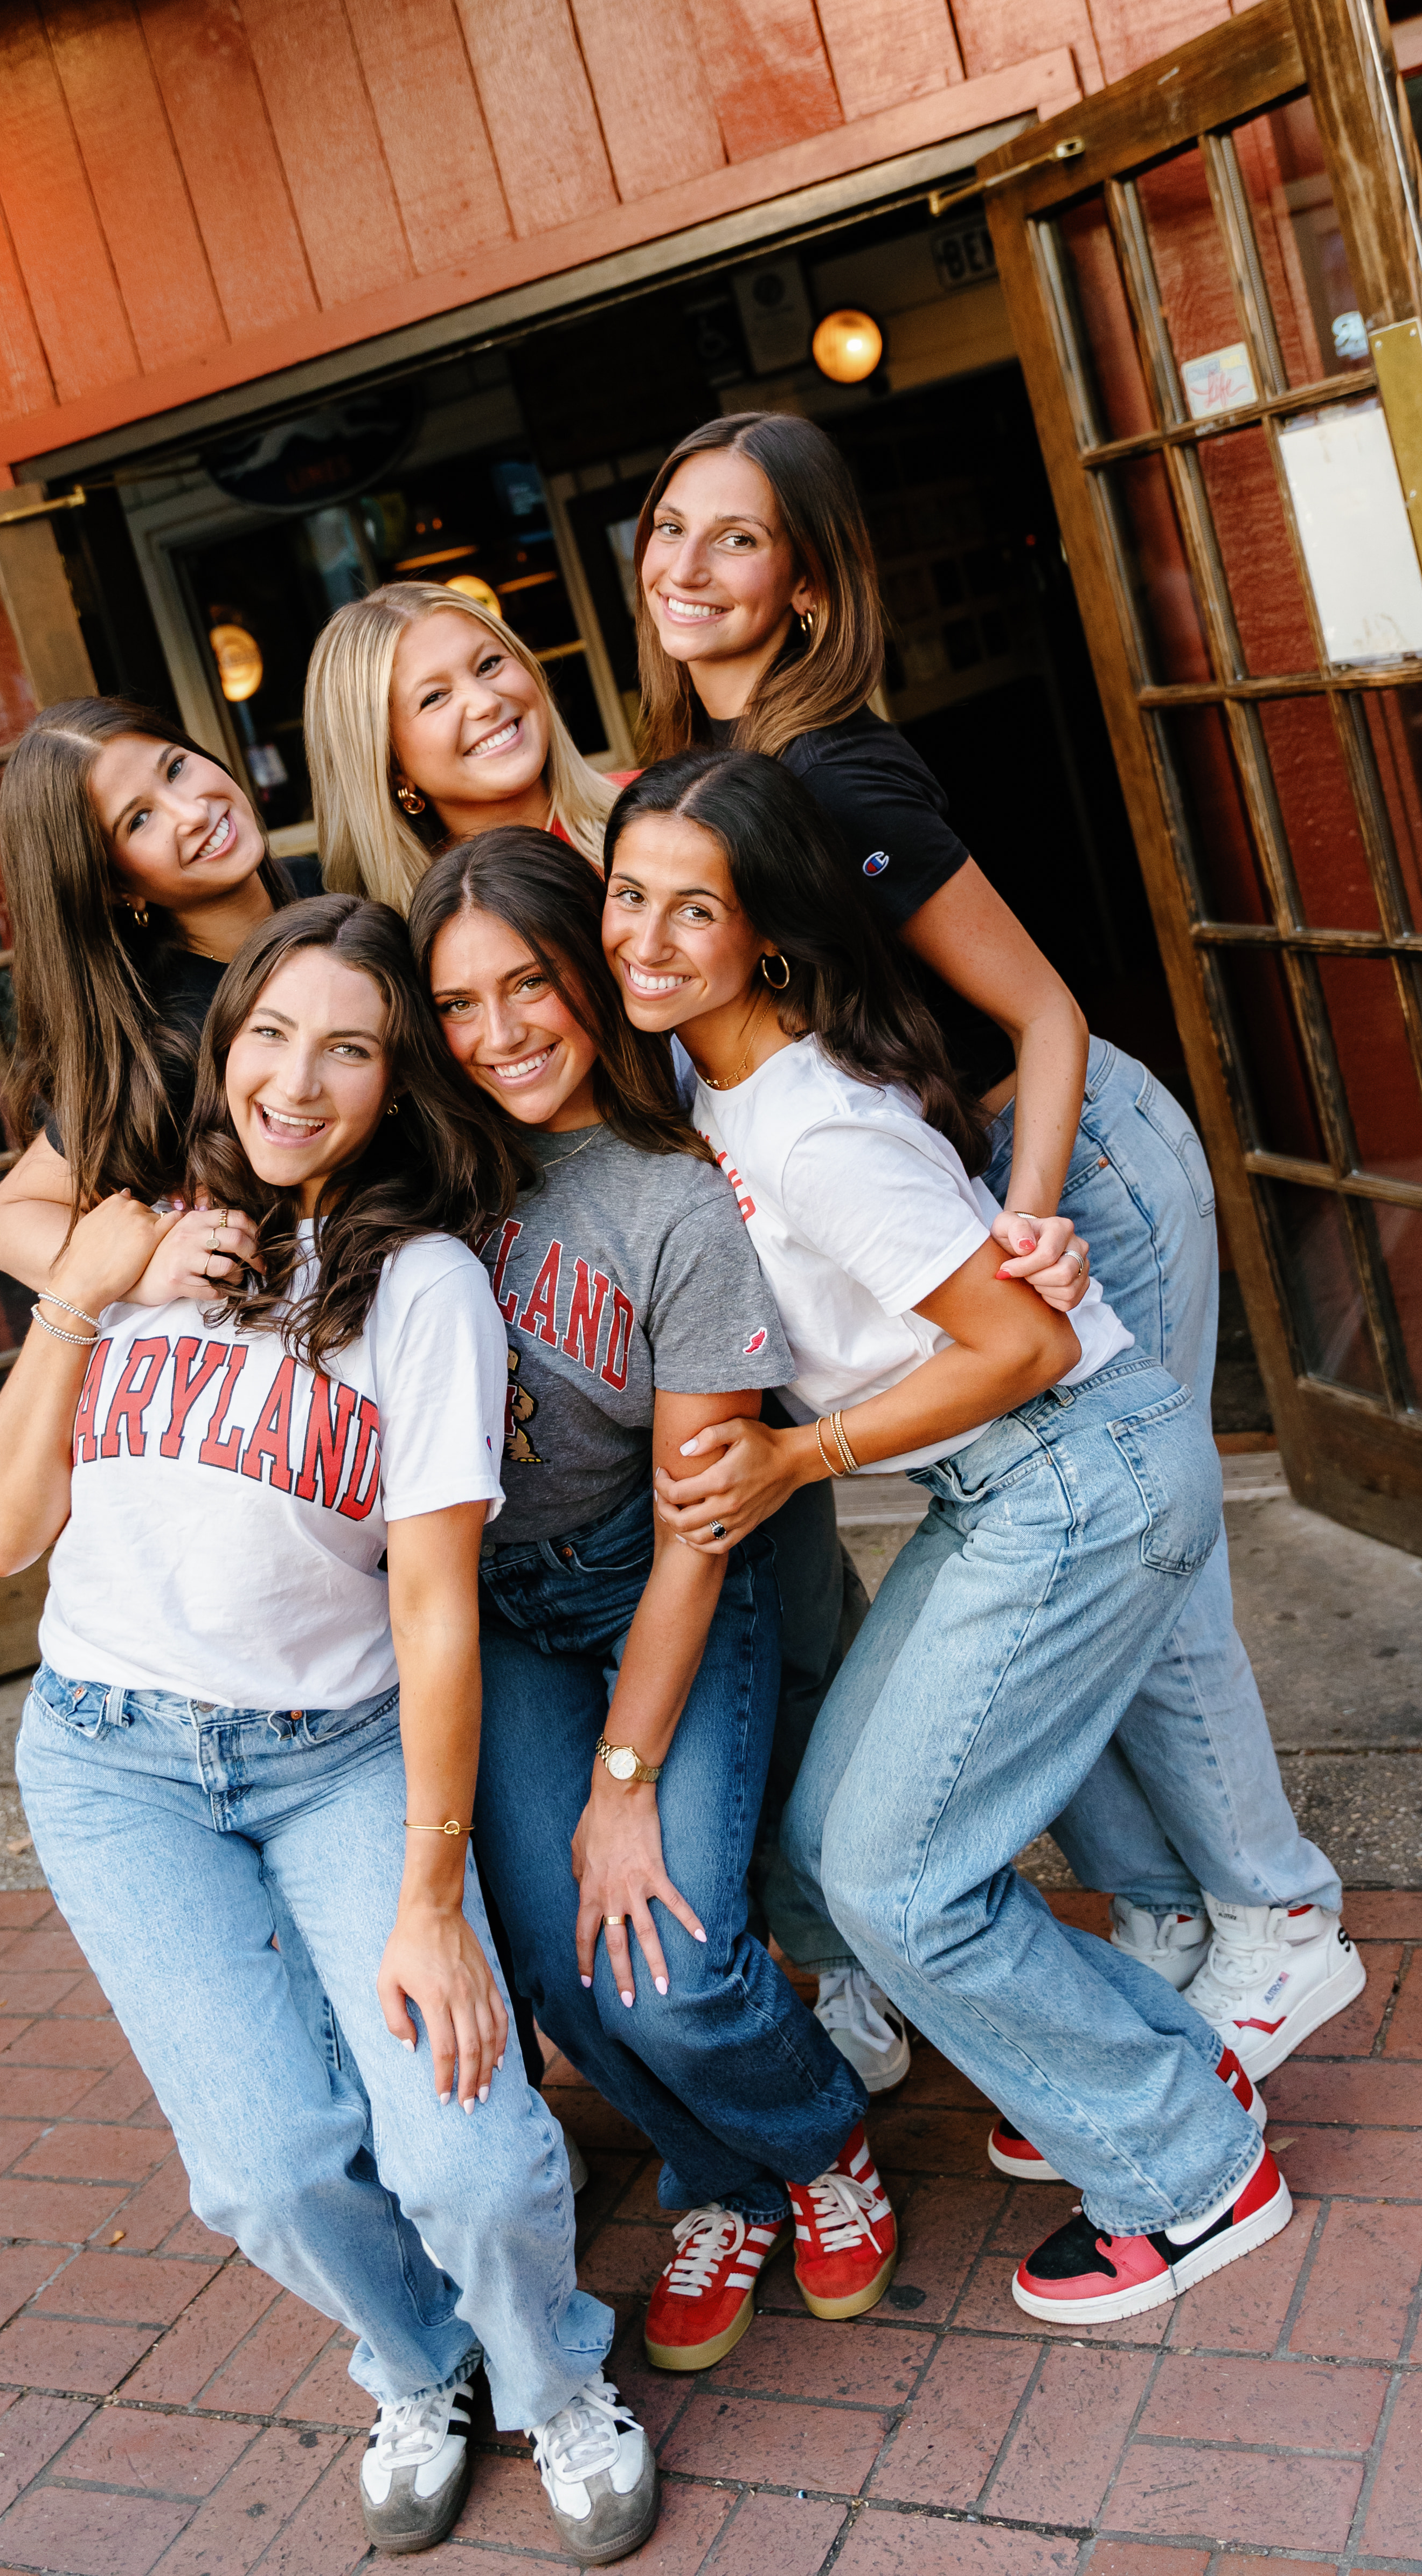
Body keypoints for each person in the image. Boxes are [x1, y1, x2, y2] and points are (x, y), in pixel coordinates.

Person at [631, 413, 1362, 2087]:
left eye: (733, 538)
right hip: (973, 1171)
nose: (684, 564)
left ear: (806, 587)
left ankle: (1278, 1916)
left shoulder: (835, 774)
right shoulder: (720, 773)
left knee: (1132, 1535)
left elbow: (1039, 1006)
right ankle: (1166, 1915)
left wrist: (1032, 1215)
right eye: (668, 528)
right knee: (1055, 1549)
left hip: (1069, 1151)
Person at [0, 894, 659, 2563]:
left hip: (332, 1756)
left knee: (475, 2154)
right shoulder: (129, 1237)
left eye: (347, 1045)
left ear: (394, 1081)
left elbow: (431, 1607)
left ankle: (556, 2374)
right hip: (113, 1758)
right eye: (271, 1031)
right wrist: (87, 1285)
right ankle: (422, 2365)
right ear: (226, 1044)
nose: (296, 1075)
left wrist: (433, 1893)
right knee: (265, 2167)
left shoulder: (422, 1288)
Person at [602, 752, 1295, 2325]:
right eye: (627, 894)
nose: (641, 935)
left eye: (688, 908)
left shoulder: (813, 1130)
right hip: (1011, 1489)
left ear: (765, 934)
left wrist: (802, 1454)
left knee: (903, 1882)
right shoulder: (711, 1081)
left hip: (1077, 1475)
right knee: (832, 1846)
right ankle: (1171, 2083)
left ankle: (1193, 2171)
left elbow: (1023, 1347)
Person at [410, 827, 891, 2376]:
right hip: (502, 1613)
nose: (499, 1037)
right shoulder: (424, 1175)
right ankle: (722, 2180)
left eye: (529, 988)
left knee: (674, 1970)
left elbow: (698, 1531)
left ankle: (820, 2148)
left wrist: (624, 1785)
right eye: (460, 1007)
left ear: (592, 980)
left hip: (661, 1592)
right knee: (563, 1970)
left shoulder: (675, 1205)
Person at [0, 695, 281, 1309]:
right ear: (115, 885)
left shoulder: (341, 886)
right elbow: (4, 1222)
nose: (191, 811)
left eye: (175, 769)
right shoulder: (169, 1036)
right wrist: (147, 1268)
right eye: (138, 821)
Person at [307, 583, 616, 910]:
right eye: (435, 697)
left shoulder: (662, 813)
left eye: (489, 664)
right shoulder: (412, 941)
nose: (487, 702)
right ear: (391, 765)